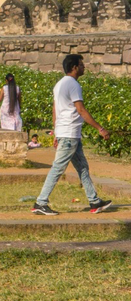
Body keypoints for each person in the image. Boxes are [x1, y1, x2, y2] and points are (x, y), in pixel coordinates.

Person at [32, 54, 112, 215]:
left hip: (68, 133)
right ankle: (40, 202)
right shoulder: (73, 85)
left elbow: (55, 110)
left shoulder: (59, 84)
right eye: (81, 65)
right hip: (69, 134)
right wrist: (100, 128)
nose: (84, 67)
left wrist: (56, 132)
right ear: (74, 67)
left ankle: (94, 201)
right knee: (57, 168)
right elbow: (81, 110)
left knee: (82, 168)